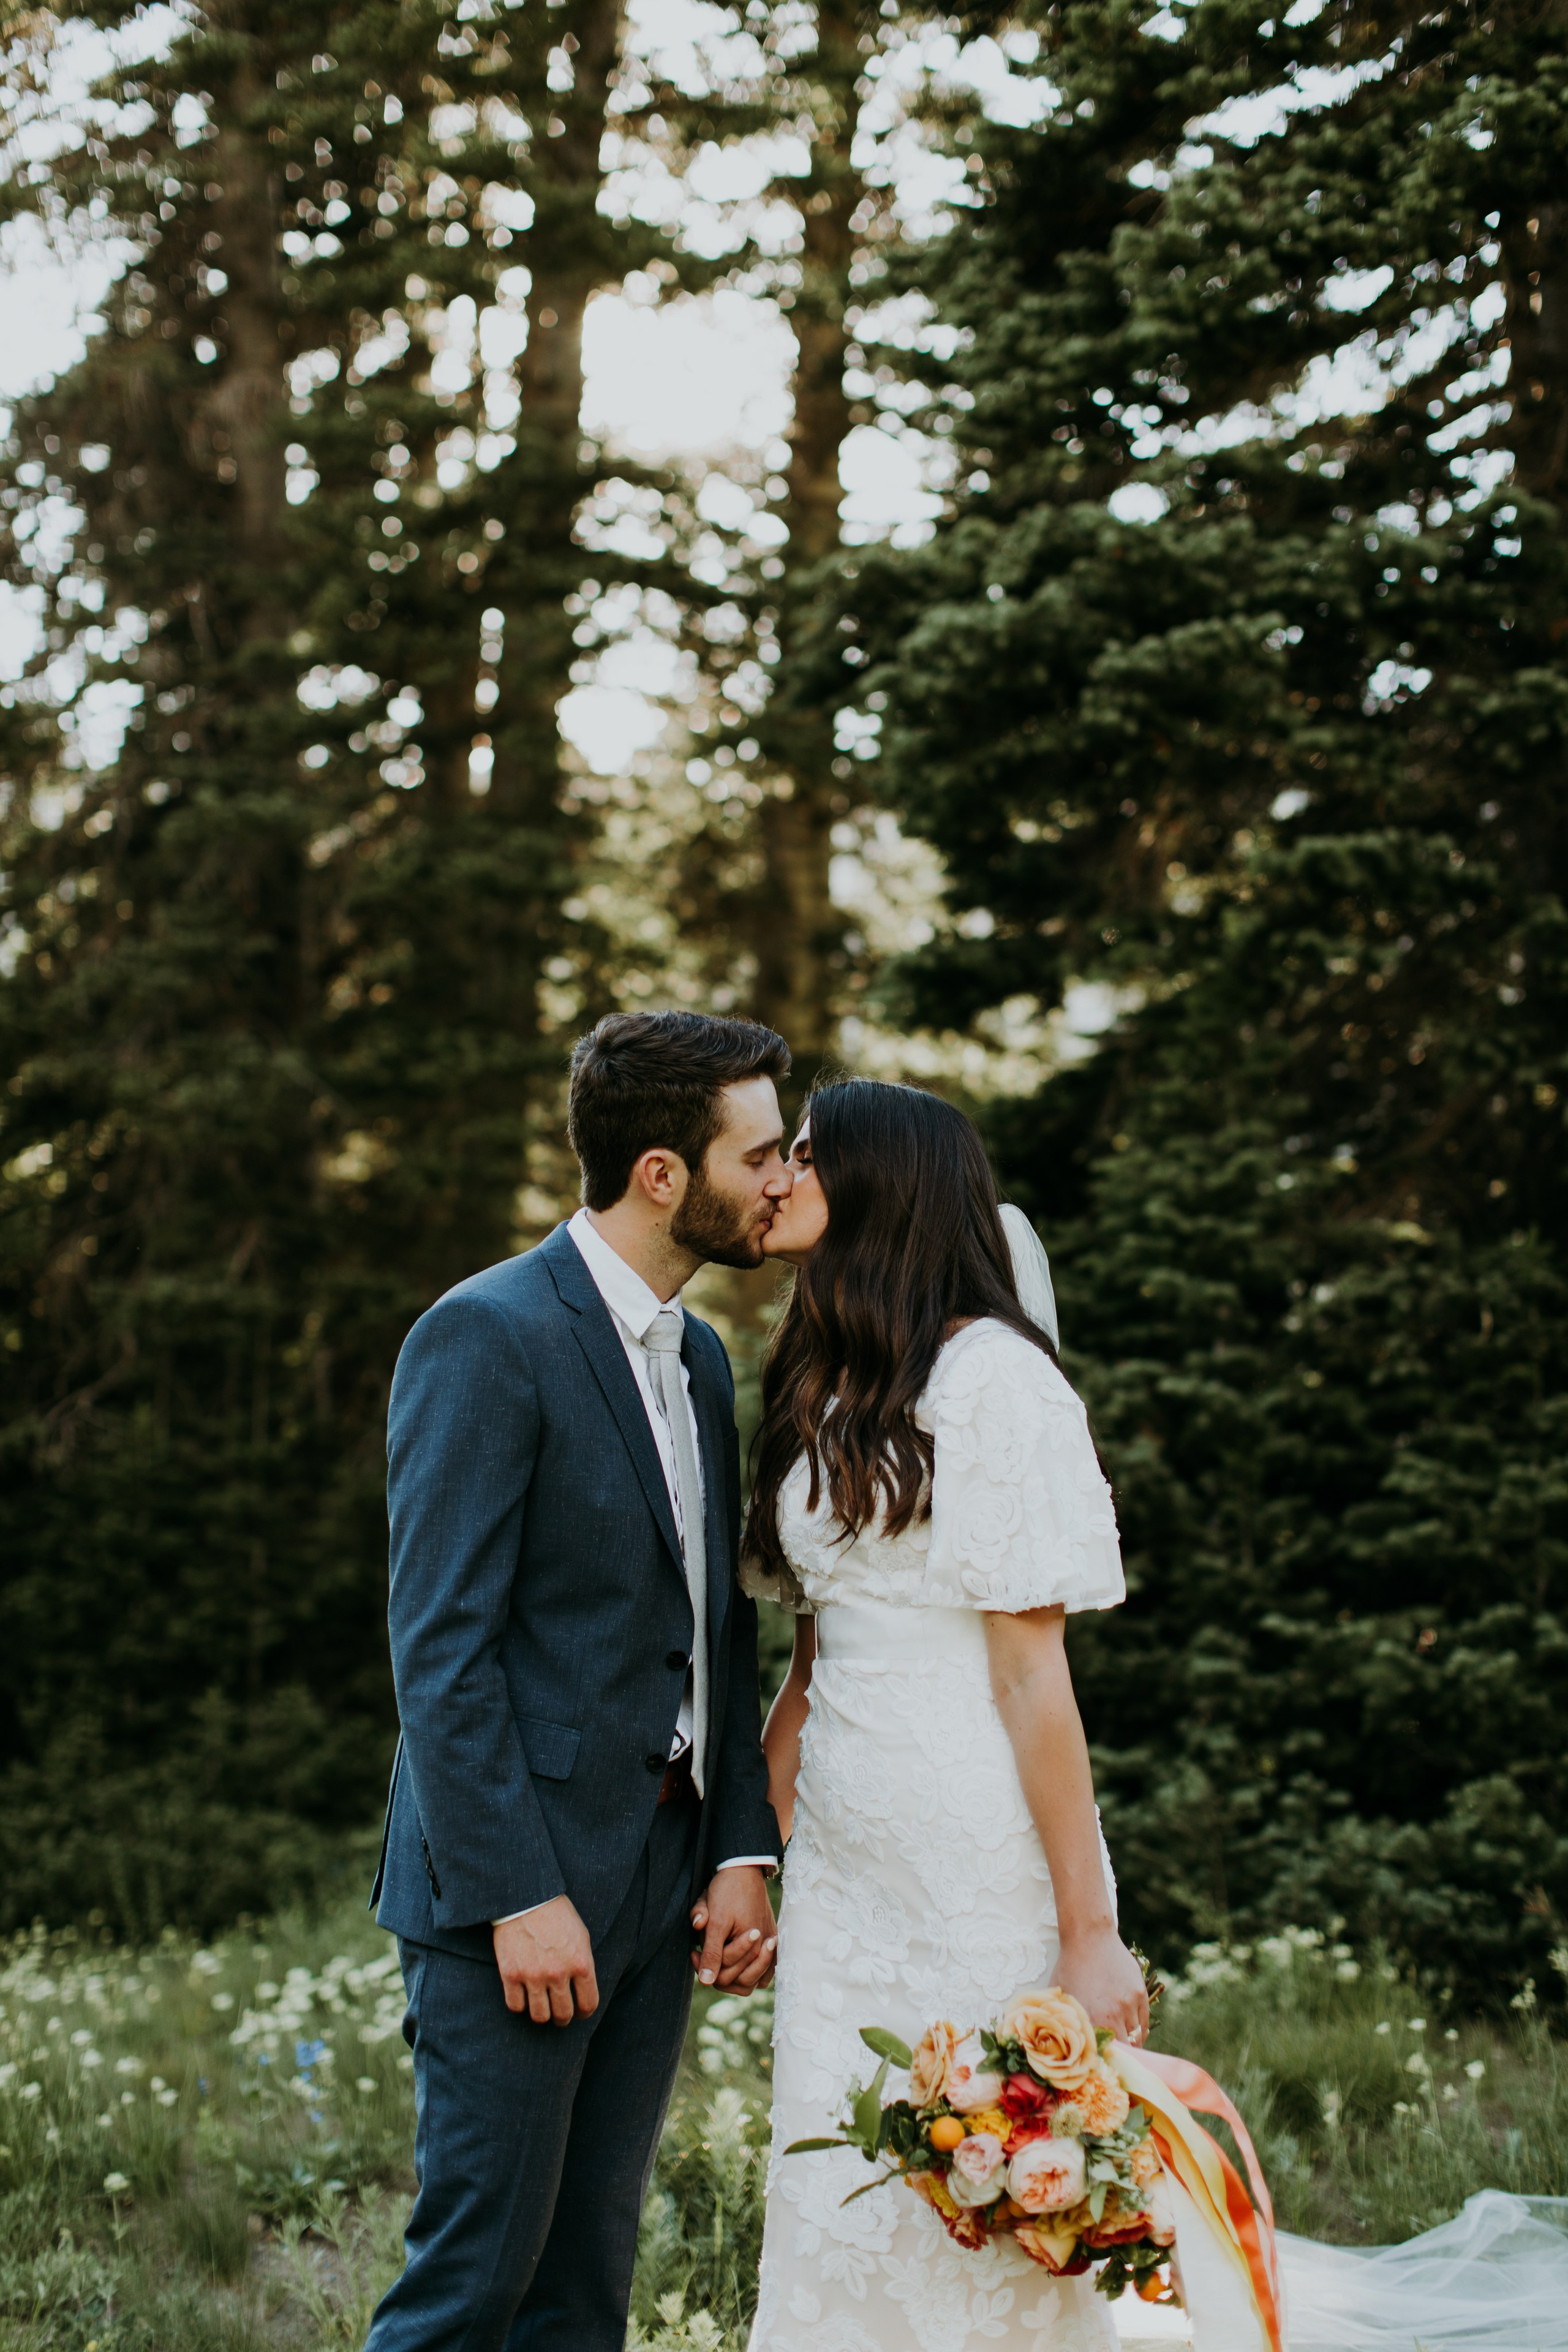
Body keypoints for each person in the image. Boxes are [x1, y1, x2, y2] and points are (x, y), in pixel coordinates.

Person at [366, 1010, 791, 2352]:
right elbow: (441, 1647)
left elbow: (713, 1628)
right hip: (518, 1894)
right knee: (472, 2282)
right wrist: (513, 1895)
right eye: (760, 1153)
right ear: (663, 1173)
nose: (783, 1179)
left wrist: (735, 1850)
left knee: (583, 2286)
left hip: (658, 1880)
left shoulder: (702, 1354)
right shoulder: (483, 1333)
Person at [744, 1076, 1145, 2352]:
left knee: (988, 2191)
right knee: (836, 2191)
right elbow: (806, 1666)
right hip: (847, 1882)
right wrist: (746, 1856)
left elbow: (1033, 1678)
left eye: (806, 1155)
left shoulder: (993, 1381)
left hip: (976, 1861)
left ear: (881, 1184)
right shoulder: (820, 1375)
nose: (777, 1174)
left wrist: (1087, 1936)